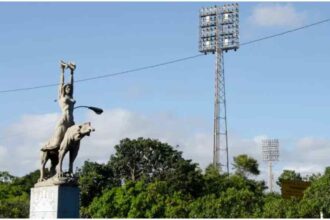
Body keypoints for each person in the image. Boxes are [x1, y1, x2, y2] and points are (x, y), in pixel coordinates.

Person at [41, 61, 76, 151]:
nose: (69, 88)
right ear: (64, 89)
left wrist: (72, 73)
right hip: (64, 120)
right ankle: (48, 147)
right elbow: (61, 84)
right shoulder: (61, 97)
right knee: (57, 143)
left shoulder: (71, 96)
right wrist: (62, 72)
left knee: (75, 141)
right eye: (67, 87)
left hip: (71, 120)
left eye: (69, 88)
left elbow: (72, 84)